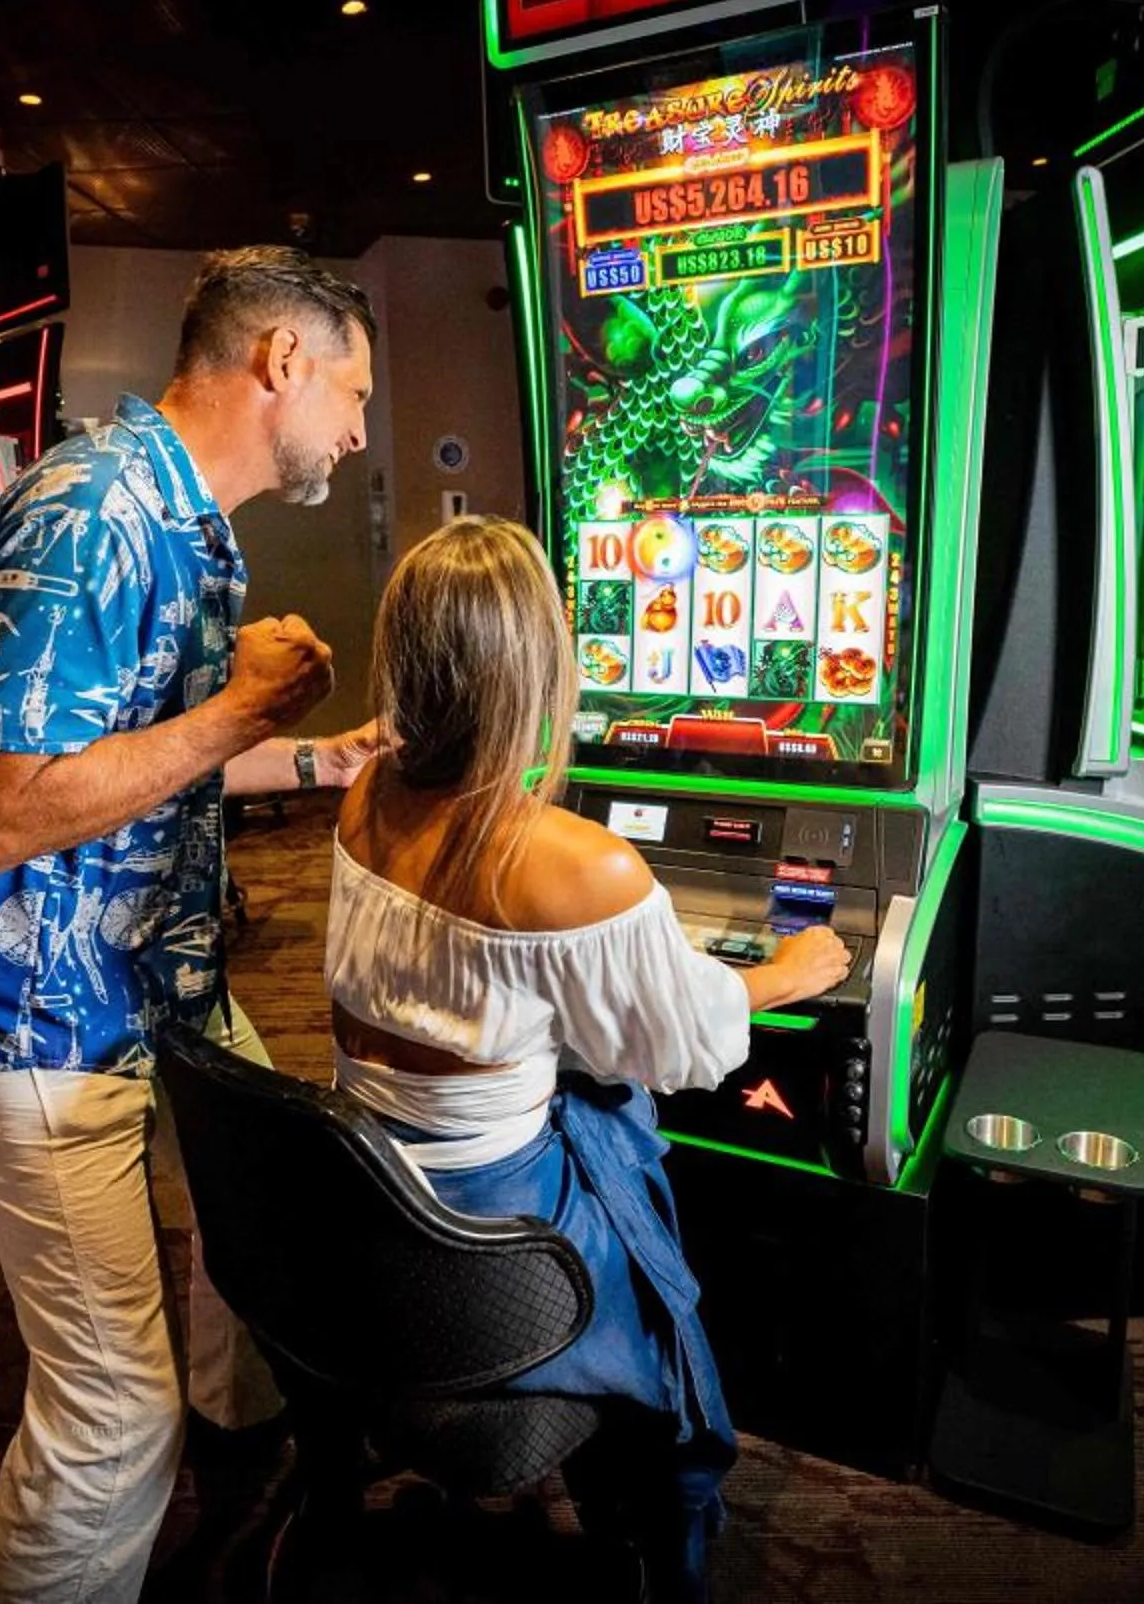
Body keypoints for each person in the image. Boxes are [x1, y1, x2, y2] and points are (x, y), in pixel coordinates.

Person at [0, 245, 387, 1603]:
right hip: (42, 1016)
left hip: (157, 978)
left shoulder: (187, 520)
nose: (359, 429)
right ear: (281, 361)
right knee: (112, 1414)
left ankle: (243, 1448)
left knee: (270, 1216)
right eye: (354, 392)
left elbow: (136, 756)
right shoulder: (84, 515)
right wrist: (238, 713)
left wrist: (321, 756)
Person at [323, 516, 850, 1601]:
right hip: (492, 1233)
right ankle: (661, 1496)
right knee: (628, 1136)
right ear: (538, 667)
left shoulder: (365, 793)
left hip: (367, 1200)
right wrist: (784, 971)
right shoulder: (573, 862)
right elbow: (682, 1044)